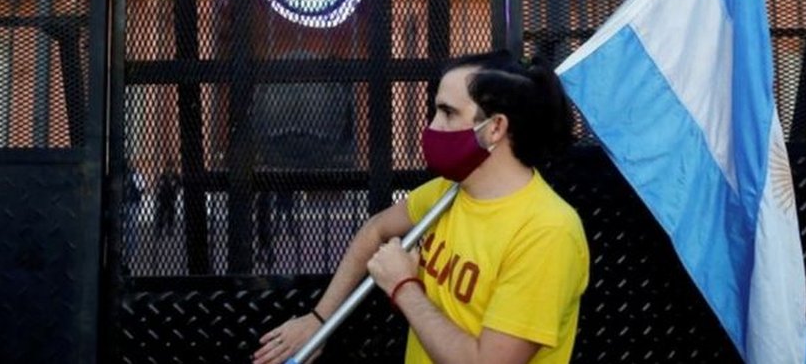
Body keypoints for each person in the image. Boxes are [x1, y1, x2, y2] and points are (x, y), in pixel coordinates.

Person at [252, 50, 589, 364]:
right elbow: (375, 230)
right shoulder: (450, 192)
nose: (432, 127)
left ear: (495, 128)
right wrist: (319, 320)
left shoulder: (547, 232)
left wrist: (403, 286)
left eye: (447, 113)